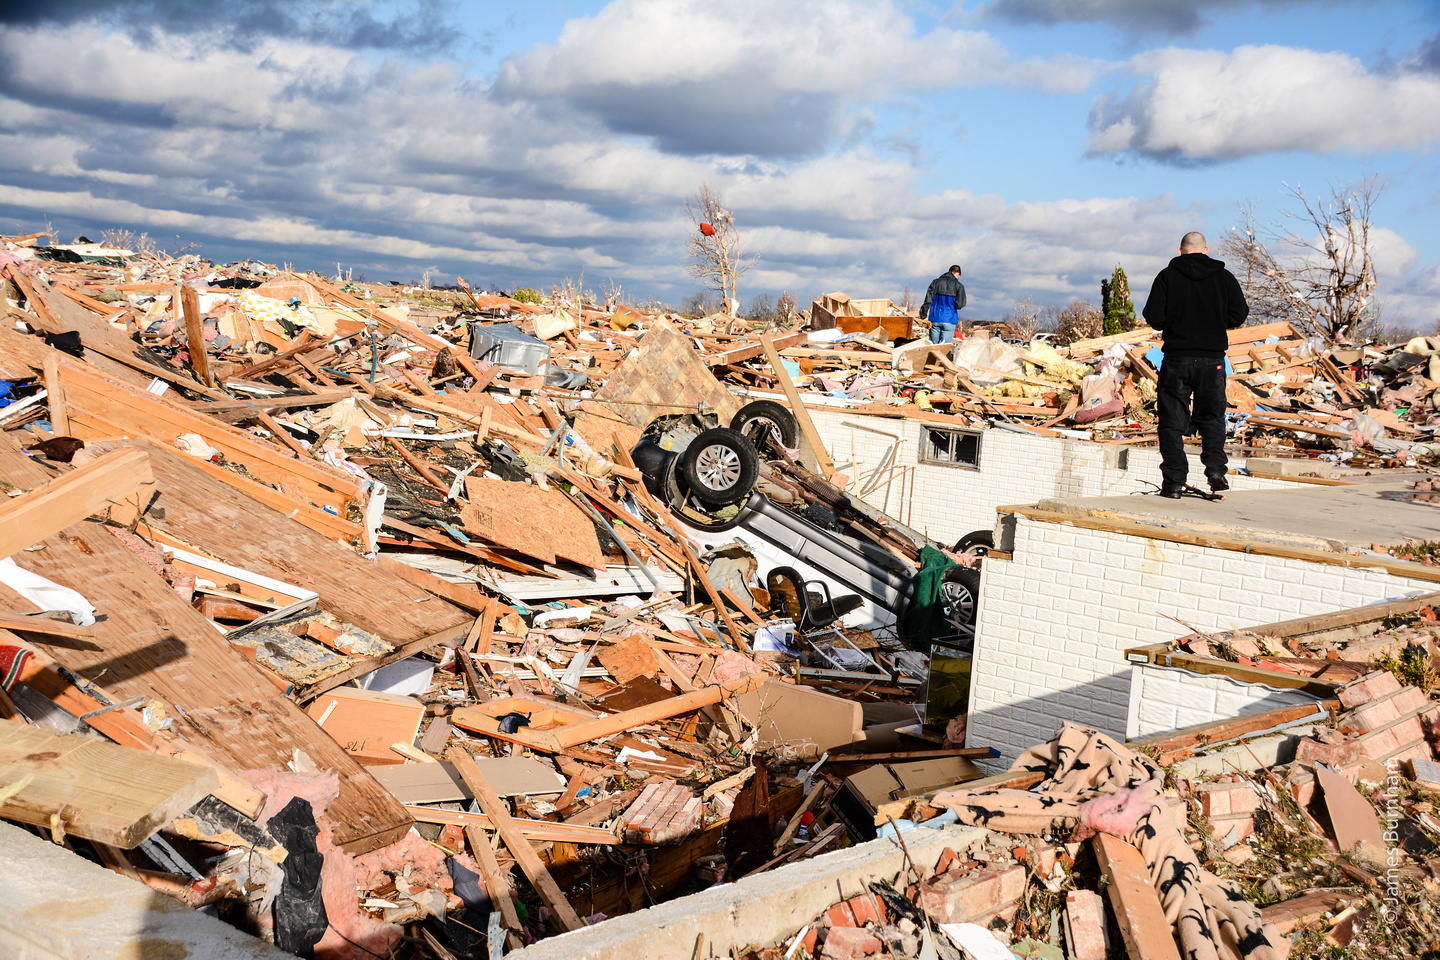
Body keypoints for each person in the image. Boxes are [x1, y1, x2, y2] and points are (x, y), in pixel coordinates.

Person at [1143, 231, 1249, 498]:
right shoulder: (1224, 278)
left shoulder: (1167, 276)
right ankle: (1215, 470)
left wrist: (1177, 321)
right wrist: (1214, 321)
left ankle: (1174, 483)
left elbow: (1154, 316)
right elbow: (1239, 314)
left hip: (1177, 358)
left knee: (1172, 422)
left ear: (1180, 251)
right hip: (1213, 360)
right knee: (1212, 417)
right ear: (1206, 250)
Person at [920, 264, 967, 344]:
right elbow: (960, 304)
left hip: (935, 318)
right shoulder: (959, 286)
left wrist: (923, 314)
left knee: (933, 346)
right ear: (958, 274)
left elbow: (928, 300)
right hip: (950, 319)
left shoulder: (935, 282)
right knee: (944, 347)